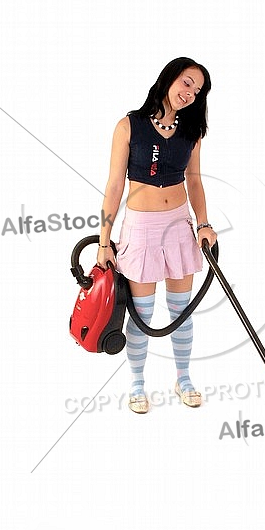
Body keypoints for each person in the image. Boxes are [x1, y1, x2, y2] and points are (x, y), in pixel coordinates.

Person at [97, 57, 217, 414]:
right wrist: (104, 242)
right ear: (169, 79)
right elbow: (115, 184)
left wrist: (204, 223)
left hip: (179, 225)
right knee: (142, 314)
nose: (190, 93)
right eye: (186, 83)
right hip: (141, 228)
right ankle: (137, 383)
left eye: (197, 90)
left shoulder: (191, 132)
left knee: (182, 310)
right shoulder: (128, 126)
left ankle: (183, 378)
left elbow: (194, 179)